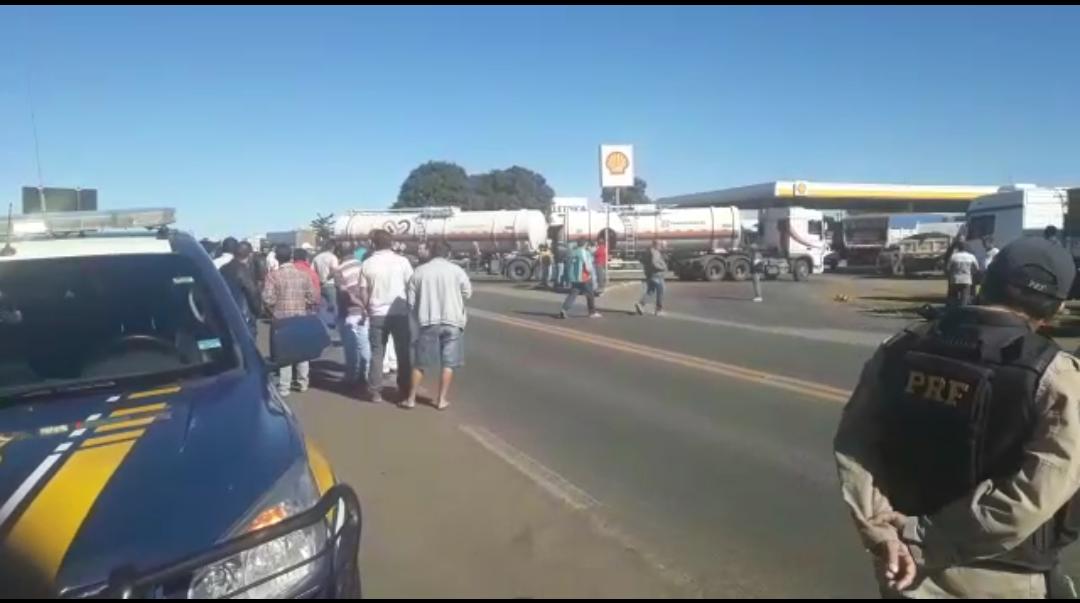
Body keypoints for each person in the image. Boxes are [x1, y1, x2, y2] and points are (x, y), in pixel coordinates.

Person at [834, 237, 1080, 598]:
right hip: (1000, 575)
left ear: (984, 283)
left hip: (900, 566)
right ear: (1056, 308)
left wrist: (885, 532)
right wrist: (924, 538)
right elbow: (1034, 494)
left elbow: (856, 444)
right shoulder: (1055, 375)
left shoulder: (900, 347)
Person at [404, 241, 472, 410]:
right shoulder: (457, 271)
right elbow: (467, 293)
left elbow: (410, 302)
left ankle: (411, 399)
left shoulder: (419, 272)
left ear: (431, 253)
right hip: (453, 321)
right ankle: (441, 400)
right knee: (448, 363)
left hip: (428, 321)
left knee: (420, 363)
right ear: (448, 254)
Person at [359, 229, 414, 403]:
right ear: (391, 243)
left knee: (377, 353)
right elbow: (411, 286)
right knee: (402, 352)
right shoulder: (403, 262)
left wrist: (367, 307)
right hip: (400, 312)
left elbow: (363, 291)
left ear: (373, 244)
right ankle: (405, 390)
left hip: (377, 313)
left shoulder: (367, 264)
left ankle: (375, 391)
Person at [262, 244, 318, 397]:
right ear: (291, 257)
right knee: (302, 351)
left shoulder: (273, 276)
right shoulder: (303, 275)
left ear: (278, 259)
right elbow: (312, 297)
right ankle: (302, 382)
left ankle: (284, 387)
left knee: (285, 354)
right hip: (300, 316)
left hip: (281, 318)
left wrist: (274, 308)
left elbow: (267, 298)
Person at [333, 242, 371, 391]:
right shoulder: (363, 267)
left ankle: (351, 377)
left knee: (350, 348)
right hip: (364, 312)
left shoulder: (339, 271)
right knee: (364, 345)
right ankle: (365, 375)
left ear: (339, 253)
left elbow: (343, 293)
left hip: (348, 312)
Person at [220, 242, 261, 338]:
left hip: (226, 313)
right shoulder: (243, 270)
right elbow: (252, 293)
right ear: (249, 254)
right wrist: (258, 311)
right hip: (243, 315)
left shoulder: (223, 269)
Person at [557, 241, 600, 319]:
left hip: (574, 277)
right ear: (585, 244)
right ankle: (592, 312)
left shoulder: (572, 252)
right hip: (584, 277)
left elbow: (568, 264)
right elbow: (587, 266)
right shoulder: (585, 253)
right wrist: (591, 273)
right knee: (590, 295)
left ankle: (563, 310)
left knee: (572, 295)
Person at [634, 240, 667, 316]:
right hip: (657, 275)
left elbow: (643, 261)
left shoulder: (648, 252)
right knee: (660, 292)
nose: (661, 247)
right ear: (656, 245)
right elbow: (654, 263)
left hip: (650, 275)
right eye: (660, 245)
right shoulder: (655, 252)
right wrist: (662, 268)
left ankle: (641, 304)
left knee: (650, 291)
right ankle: (658, 310)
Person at [313, 243, 341, 327]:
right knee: (333, 306)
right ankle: (333, 324)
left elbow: (313, 272)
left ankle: (323, 324)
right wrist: (325, 279)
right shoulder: (333, 257)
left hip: (319, 285)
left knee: (322, 307)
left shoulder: (317, 257)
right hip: (330, 284)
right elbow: (334, 271)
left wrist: (320, 280)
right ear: (333, 248)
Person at [946, 242, 978, 307]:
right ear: (966, 248)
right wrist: (971, 273)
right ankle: (963, 311)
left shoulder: (954, 256)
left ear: (958, 248)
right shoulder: (971, 256)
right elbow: (976, 268)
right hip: (966, 279)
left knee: (953, 297)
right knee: (964, 297)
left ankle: (953, 311)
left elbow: (948, 268)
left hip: (955, 279)